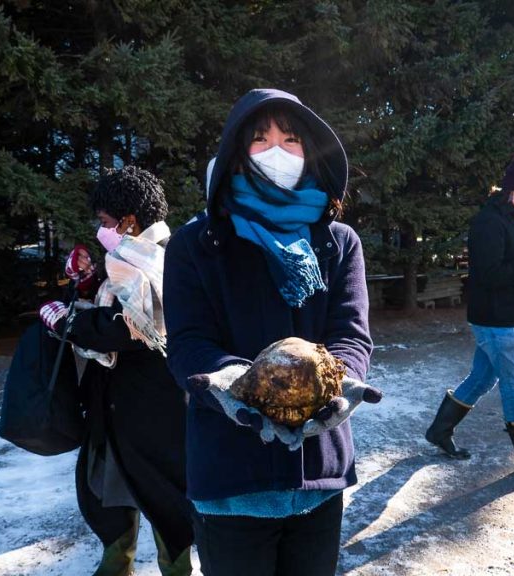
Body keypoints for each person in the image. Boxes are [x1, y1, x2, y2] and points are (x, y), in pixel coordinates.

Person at [163, 88, 378, 576]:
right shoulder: (196, 244)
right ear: (236, 150)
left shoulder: (338, 242)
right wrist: (238, 386)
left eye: (291, 138)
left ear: (311, 150)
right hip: (231, 475)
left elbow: (350, 332)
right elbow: (190, 343)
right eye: (260, 139)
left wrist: (339, 381)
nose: (277, 150)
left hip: (318, 476)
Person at [39, 166, 193, 576]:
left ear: (129, 220)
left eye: (105, 221)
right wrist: (86, 283)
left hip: (154, 410)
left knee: (164, 498)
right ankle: (116, 563)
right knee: (107, 488)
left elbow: (129, 327)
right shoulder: (128, 255)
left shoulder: (166, 259)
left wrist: (66, 322)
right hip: (114, 406)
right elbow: (115, 303)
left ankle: (175, 568)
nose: (99, 228)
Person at [424, 152, 514, 482]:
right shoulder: (490, 221)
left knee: (482, 378)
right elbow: (490, 275)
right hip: (493, 317)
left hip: (506, 314)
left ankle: (438, 430)